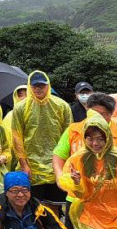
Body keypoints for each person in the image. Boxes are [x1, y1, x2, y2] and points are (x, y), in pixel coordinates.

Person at [9, 71, 73, 203]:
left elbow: (69, 136)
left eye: (41, 86)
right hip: (31, 166)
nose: (38, 88)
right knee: (32, 205)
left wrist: (65, 164)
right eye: (35, 86)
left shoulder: (62, 106)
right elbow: (17, 137)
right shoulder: (20, 108)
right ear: (30, 86)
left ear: (48, 86)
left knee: (55, 205)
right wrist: (23, 165)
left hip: (55, 165)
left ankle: (53, 224)